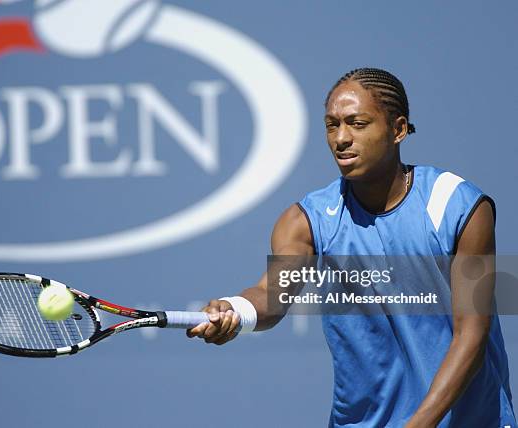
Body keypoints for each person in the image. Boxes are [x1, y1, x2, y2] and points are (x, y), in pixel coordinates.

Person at [186, 68, 516, 427]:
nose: (341, 138)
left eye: (357, 124)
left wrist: (419, 424)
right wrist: (236, 311)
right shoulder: (306, 221)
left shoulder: (457, 205)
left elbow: (472, 333)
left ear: (398, 130)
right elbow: (271, 294)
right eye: (332, 125)